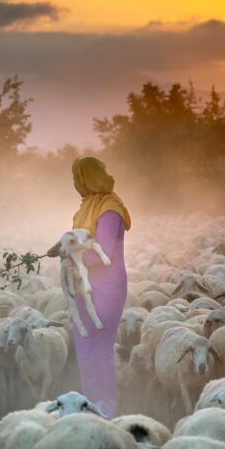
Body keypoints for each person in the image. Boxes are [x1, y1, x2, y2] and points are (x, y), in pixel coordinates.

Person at [62, 156, 131, 418]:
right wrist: (63, 248)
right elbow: (77, 242)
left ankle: (107, 410)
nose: (74, 183)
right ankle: (90, 405)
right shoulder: (86, 207)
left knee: (99, 349)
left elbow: (104, 252)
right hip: (84, 286)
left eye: (76, 177)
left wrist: (69, 256)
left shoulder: (110, 207)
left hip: (107, 287)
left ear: (86, 177)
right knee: (85, 348)